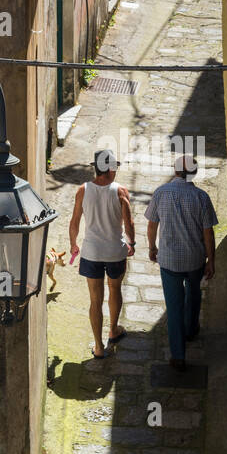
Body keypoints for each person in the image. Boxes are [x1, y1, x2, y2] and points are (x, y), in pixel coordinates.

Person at [145, 153, 217, 371]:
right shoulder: (201, 197)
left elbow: (151, 225)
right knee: (194, 293)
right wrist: (211, 260)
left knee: (174, 306)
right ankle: (191, 329)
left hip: (169, 260)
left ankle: (178, 355)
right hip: (195, 258)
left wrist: (152, 247)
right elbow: (208, 233)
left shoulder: (160, 193)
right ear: (193, 173)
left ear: (176, 171)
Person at [69, 150, 135, 358]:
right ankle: (113, 330)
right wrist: (132, 243)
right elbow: (129, 222)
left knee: (95, 299)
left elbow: (75, 221)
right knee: (115, 290)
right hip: (115, 251)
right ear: (110, 169)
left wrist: (73, 244)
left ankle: (98, 346)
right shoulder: (120, 191)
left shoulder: (83, 190)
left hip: (92, 252)